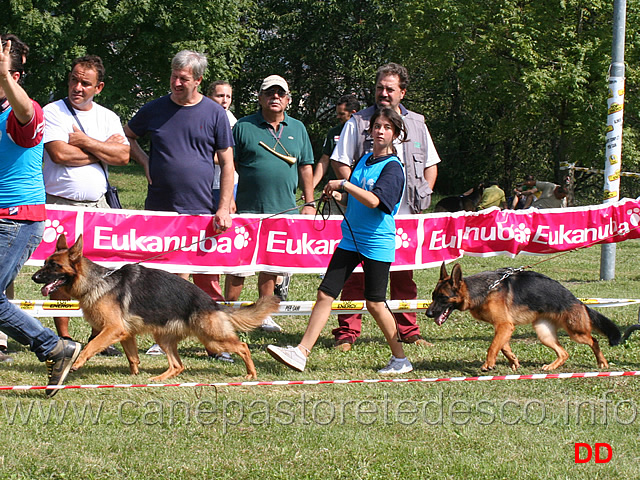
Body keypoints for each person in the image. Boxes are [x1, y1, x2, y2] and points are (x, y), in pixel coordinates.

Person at [267, 108, 413, 375]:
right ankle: (301, 352)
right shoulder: (365, 159)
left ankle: (400, 358)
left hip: (377, 242)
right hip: (351, 239)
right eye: (377, 126)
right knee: (325, 293)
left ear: (395, 134)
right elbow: (353, 199)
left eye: (387, 127)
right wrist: (336, 195)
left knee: (375, 303)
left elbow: (375, 201)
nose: (380, 131)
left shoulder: (393, 168)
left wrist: (344, 185)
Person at [124, 50, 235, 355]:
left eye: (183, 78)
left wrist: (223, 206)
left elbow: (227, 163)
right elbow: (127, 135)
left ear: (198, 81)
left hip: (201, 210)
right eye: (173, 76)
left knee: (207, 280)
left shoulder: (215, 113)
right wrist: (145, 161)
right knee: (165, 280)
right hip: (160, 210)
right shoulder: (155, 109)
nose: (175, 82)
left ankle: (217, 343)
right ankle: (164, 338)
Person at [330, 62, 441, 351]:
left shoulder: (418, 123)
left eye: (390, 89)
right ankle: (347, 332)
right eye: (379, 87)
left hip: (405, 216)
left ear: (402, 92)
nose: (383, 93)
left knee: (404, 277)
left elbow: (431, 164)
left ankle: (408, 330)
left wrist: (425, 192)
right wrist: (354, 191)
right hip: (366, 216)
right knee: (354, 277)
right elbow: (340, 161)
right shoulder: (358, 121)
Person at [0, 34, 80, 396]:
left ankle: (53, 346)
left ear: (13, 76)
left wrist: (4, 78)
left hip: (16, 221)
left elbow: (27, 114)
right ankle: (52, 346)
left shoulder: (25, 113)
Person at [42, 55, 129, 355]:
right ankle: (64, 338)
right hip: (59, 205)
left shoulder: (108, 117)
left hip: (98, 207)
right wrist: (104, 149)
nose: (77, 87)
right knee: (59, 273)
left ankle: (98, 336)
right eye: (73, 80)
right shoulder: (52, 112)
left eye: (85, 83)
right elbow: (59, 155)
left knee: (99, 275)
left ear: (99, 87)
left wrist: (84, 141)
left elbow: (124, 158)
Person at [225, 75, 315, 332]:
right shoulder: (243, 126)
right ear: (260, 97)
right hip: (247, 209)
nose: (275, 97)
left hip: (284, 208)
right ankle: (230, 314)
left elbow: (306, 166)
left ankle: (263, 315)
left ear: (287, 100)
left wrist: (309, 202)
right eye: (269, 93)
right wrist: (229, 197)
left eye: (280, 94)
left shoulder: (298, 128)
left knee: (271, 264)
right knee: (238, 266)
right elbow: (230, 164)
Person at [312, 94, 360, 188]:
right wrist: (312, 186)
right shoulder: (334, 132)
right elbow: (324, 160)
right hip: (335, 189)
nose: (338, 117)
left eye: (342, 114)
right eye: (337, 113)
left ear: (353, 113)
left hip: (357, 189)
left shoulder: (365, 133)